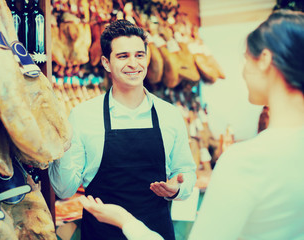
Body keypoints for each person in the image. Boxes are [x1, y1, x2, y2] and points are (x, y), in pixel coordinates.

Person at [78, 9, 304, 240]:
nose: (244, 71)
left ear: (265, 60)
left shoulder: (244, 162)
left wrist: (124, 220)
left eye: (246, 58)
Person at [48, 19, 197, 240]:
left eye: (139, 55)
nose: (134, 64)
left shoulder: (169, 114)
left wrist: (177, 189)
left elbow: (187, 172)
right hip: (101, 234)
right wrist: (58, 144)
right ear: (106, 63)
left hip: (155, 233)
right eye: (123, 56)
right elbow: (63, 190)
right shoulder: (82, 116)